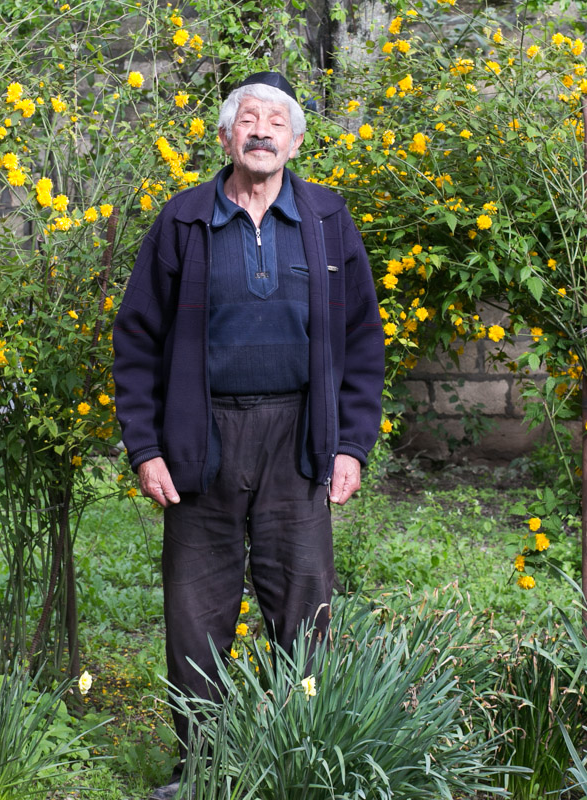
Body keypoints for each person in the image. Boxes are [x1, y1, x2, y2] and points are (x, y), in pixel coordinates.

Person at [112, 71, 384, 800]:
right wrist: (146, 447)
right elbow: (137, 341)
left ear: (295, 141)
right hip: (201, 437)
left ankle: (305, 757)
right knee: (196, 612)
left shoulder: (327, 220)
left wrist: (353, 444)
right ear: (228, 136)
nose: (261, 131)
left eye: (276, 121)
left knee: (304, 603)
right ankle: (200, 769)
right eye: (248, 119)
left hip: (299, 438)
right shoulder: (183, 221)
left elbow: (362, 341)